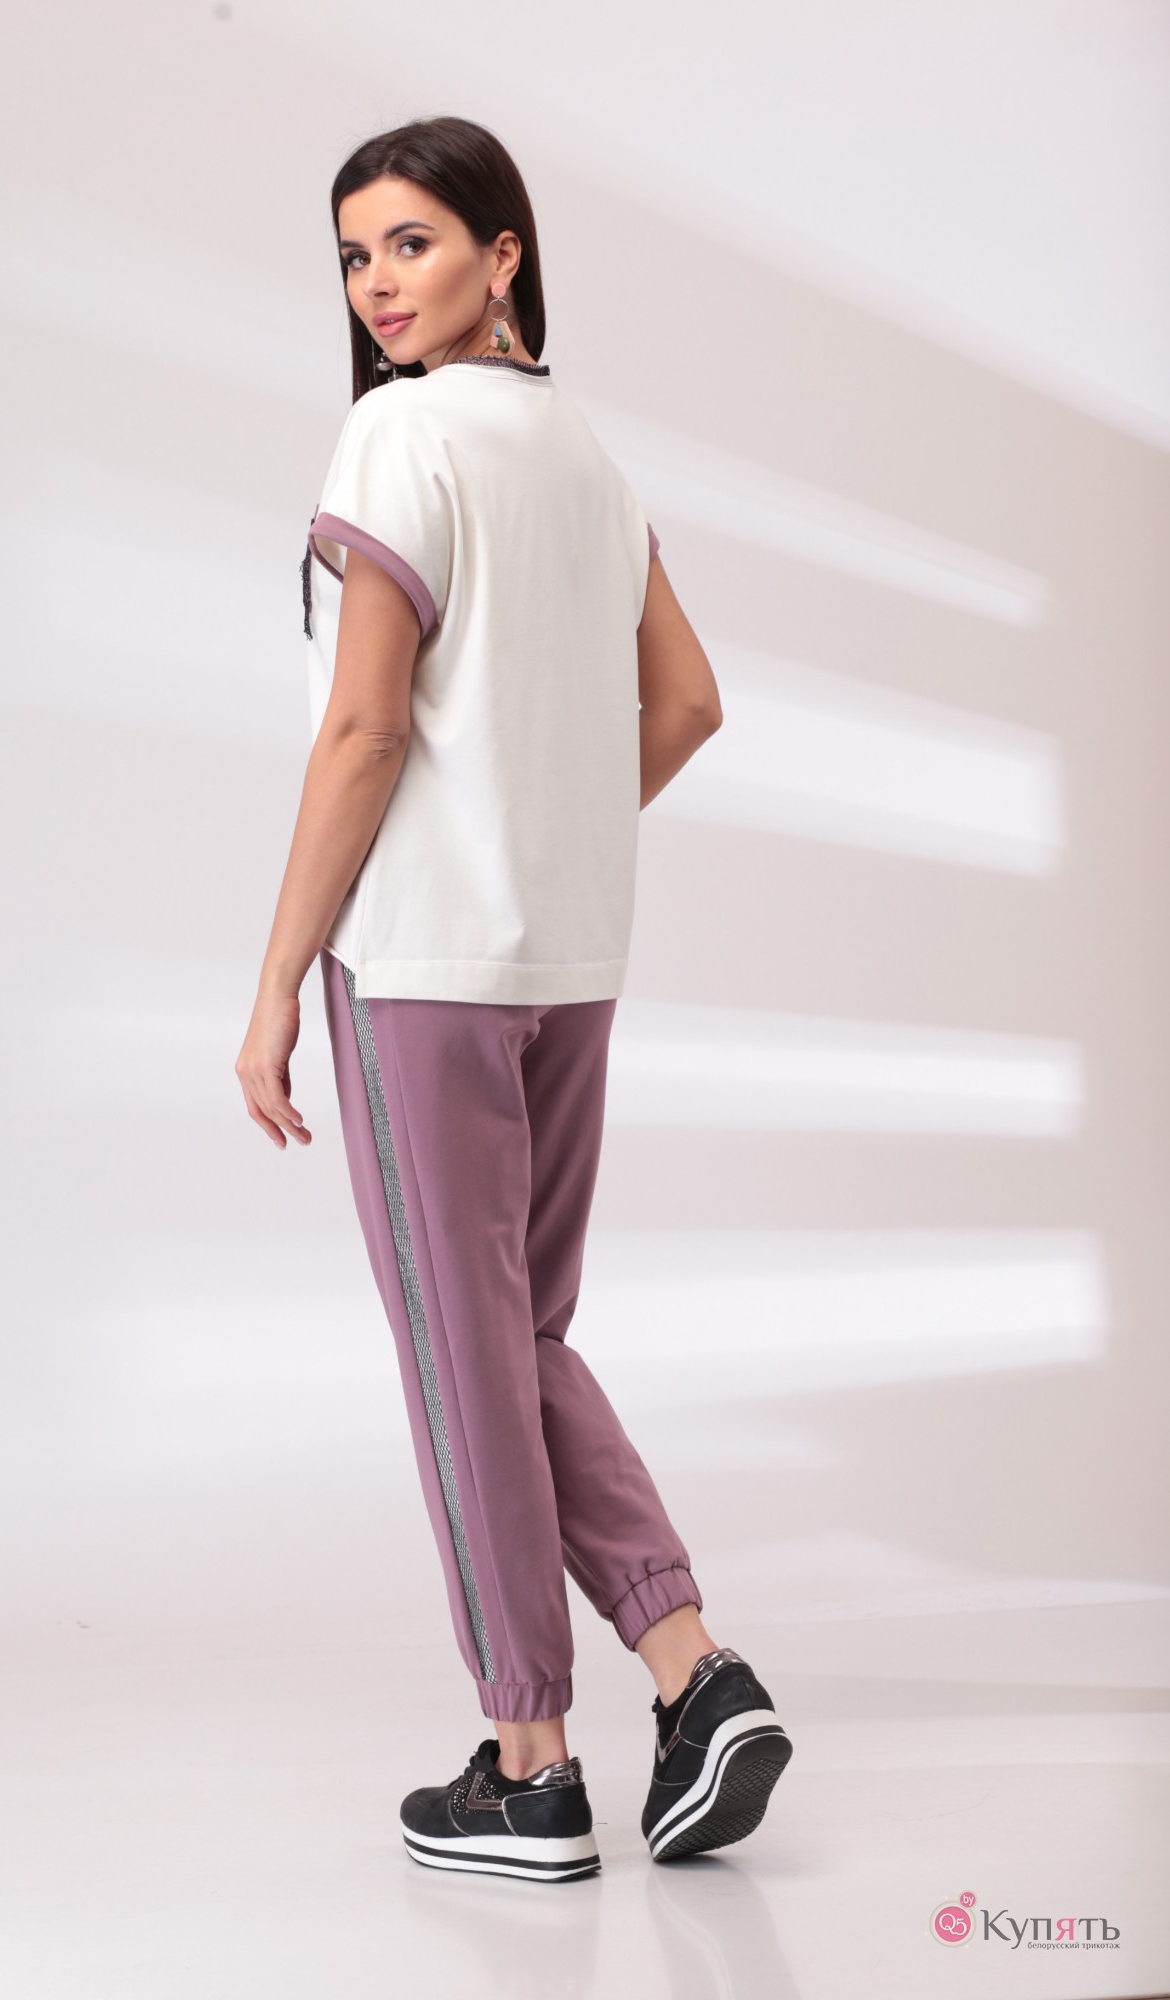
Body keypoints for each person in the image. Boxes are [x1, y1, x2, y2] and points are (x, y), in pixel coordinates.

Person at [235, 115, 792, 1882]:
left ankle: (530, 1765)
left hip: (419, 966)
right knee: (523, 1334)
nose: (375, 285)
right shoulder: (583, 456)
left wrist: (273, 985)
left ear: (503, 252)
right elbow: (685, 702)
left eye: (409, 243)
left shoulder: (399, 434)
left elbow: (363, 731)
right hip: (567, 956)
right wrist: (541, 828)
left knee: (463, 1349)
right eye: (352, 255)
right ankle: (692, 1671)